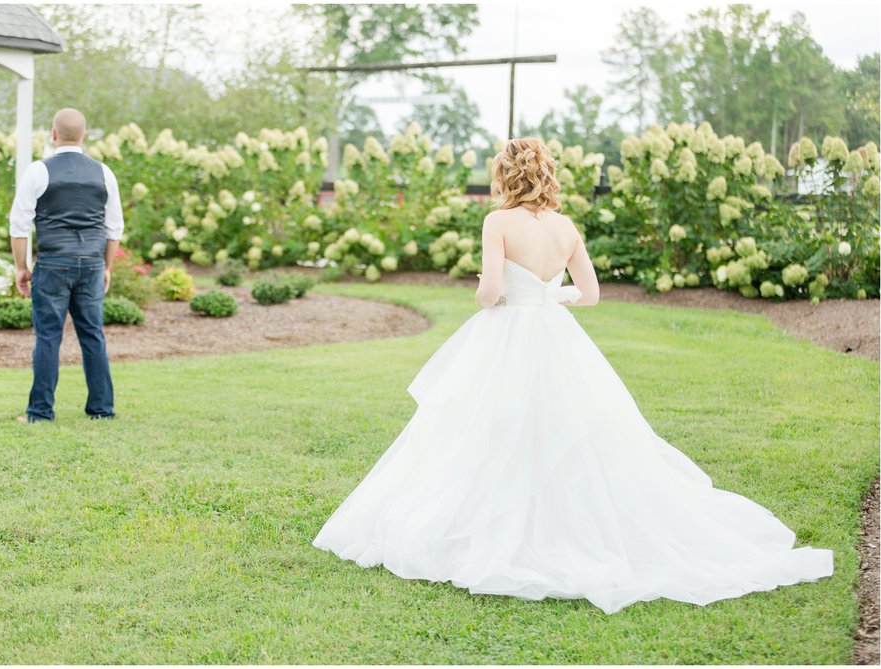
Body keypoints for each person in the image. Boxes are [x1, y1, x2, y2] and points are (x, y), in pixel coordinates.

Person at [311, 137, 834, 615]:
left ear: (503, 177)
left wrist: (484, 288)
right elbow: (590, 295)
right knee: (565, 425)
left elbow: (489, 295)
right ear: (546, 174)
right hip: (555, 335)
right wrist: (549, 294)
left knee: (490, 426)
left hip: (506, 336)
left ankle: (499, 524)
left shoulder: (497, 223)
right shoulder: (566, 228)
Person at [9, 108, 124, 422]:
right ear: (84, 135)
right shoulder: (104, 172)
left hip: (53, 264)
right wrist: (107, 267)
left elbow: (19, 226)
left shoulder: (37, 171)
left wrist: (21, 267)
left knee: (48, 337)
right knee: (93, 335)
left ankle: (40, 411)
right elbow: (114, 228)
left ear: (53, 134)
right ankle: (101, 409)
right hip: (91, 265)